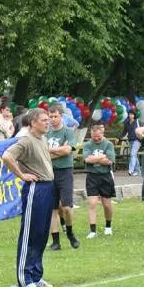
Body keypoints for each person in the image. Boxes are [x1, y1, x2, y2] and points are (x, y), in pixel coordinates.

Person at [2, 108, 55, 287]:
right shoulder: (26, 140)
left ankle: (36, 275)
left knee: (42, 233)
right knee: (30, 233)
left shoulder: (43, 139)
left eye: (48, 119)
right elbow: (7, 156)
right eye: (43, 120)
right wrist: (22, 175)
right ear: (33, 122)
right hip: (36, 189)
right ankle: (25, 279)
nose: (47, 122)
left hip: (48, 188)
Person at [46, 105, 80, 250]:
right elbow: (42, 153)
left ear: (61, 117)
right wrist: (59, 151)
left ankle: (71, 233)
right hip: (49, 172)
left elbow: (68, 150)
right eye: (51, 117)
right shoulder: (45, 134)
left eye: (56, 116)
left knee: (66, 207)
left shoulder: (68, 132)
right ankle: (55, 241)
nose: (53, 119)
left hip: (65, 172)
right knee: (52, 209)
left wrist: (50, 151)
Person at [83, 124, 116, 238]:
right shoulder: (87, 144)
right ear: (91, 134)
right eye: (94, 136)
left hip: (105, 176)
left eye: (98, 136)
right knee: (92, 203)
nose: (96, 139)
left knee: (107, 204)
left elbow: (110, 161)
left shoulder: (108, 144)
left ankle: (108, 226)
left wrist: (94, 159)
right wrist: (102, 157)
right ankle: (92, 231)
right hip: (92, 176)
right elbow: (87, 159)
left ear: (102, 134)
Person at [119, 111, 141, 176]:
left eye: (131, 114)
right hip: (131, 141)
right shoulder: (127, 123)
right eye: (129, 114)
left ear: (134, 115)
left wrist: (142, 139)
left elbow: (142, 130)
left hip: (137, 140)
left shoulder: (137, 121)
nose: (130, 115)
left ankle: (131, 170)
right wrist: (119, 138)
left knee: (132, 154)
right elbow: (124, 132)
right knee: (134, 155)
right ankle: (138, 171)